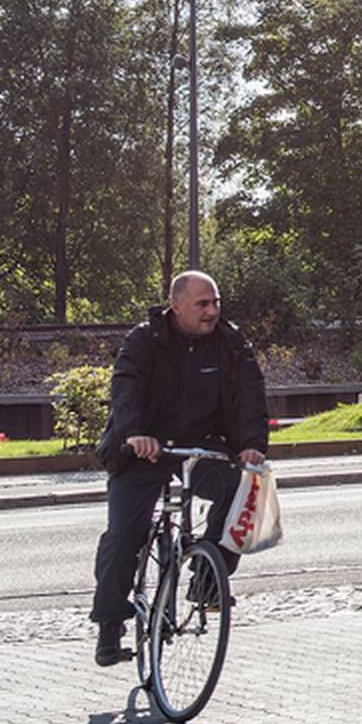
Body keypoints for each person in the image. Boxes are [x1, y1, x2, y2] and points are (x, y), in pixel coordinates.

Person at [90, 270, 270, 666]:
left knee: (239, 491)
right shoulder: (144, 339)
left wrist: (252, 446)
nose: (212, 311)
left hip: (200, 447)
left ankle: (208, 579)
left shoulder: (230, 342)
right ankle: (109, 625)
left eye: (216, 302)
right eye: (202, 304)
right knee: (124, 535)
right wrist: (136, 433)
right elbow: (126, 389)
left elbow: (249, 395)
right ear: (177, 306)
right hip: (144, 448)